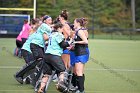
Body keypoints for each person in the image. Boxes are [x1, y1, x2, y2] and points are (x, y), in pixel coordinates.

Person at [14, 16, 52, 86]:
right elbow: (45, 37)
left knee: (36, 64)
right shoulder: (43, 28)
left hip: (30, 48)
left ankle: (28, 78)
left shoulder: (42, 29)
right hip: (27, 49)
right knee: (35, 63)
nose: (51, 21)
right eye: (49, 20)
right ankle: (20, 75)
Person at [37, 22, 73, 93]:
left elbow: (55, 45)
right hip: (54, 56)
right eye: (62, 28)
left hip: (47, 56)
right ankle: (60, 85)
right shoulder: (59, 35)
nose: (63, 30)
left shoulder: (51, 34)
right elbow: (62, 44)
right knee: (62, 71)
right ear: (59, 28)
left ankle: (41, 89)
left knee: (46, 74)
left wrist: (66, 47)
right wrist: (70, 41)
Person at [71, 18, 89, 93]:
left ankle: (81, 90)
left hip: (82, 53)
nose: (73, 23)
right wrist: (72, 47)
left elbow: (86, 41)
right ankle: (78, 88)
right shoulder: (77, 31)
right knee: (78, 71)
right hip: (78, 52)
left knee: (79, 72)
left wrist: (76, 42)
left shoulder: (80, 31)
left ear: (78, 23)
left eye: (74, 22)